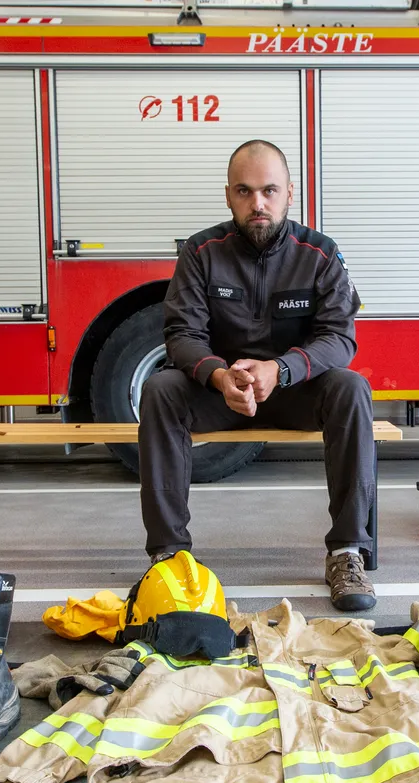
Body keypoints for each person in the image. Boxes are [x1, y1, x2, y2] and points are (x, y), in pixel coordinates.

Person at [138, 140, 376, 612]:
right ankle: (169, 555)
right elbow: (182, 333)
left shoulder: (320, 254)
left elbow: (339, 338)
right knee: (161, 388)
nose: (258, 204)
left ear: (291, 192)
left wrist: (280, 369)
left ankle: (348, 552)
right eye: (245, 192)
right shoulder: (201, 252)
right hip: (221, 393)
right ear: (228, 195)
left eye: (269, 190)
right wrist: (219, 377)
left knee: (351, 387)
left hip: (294, 392)